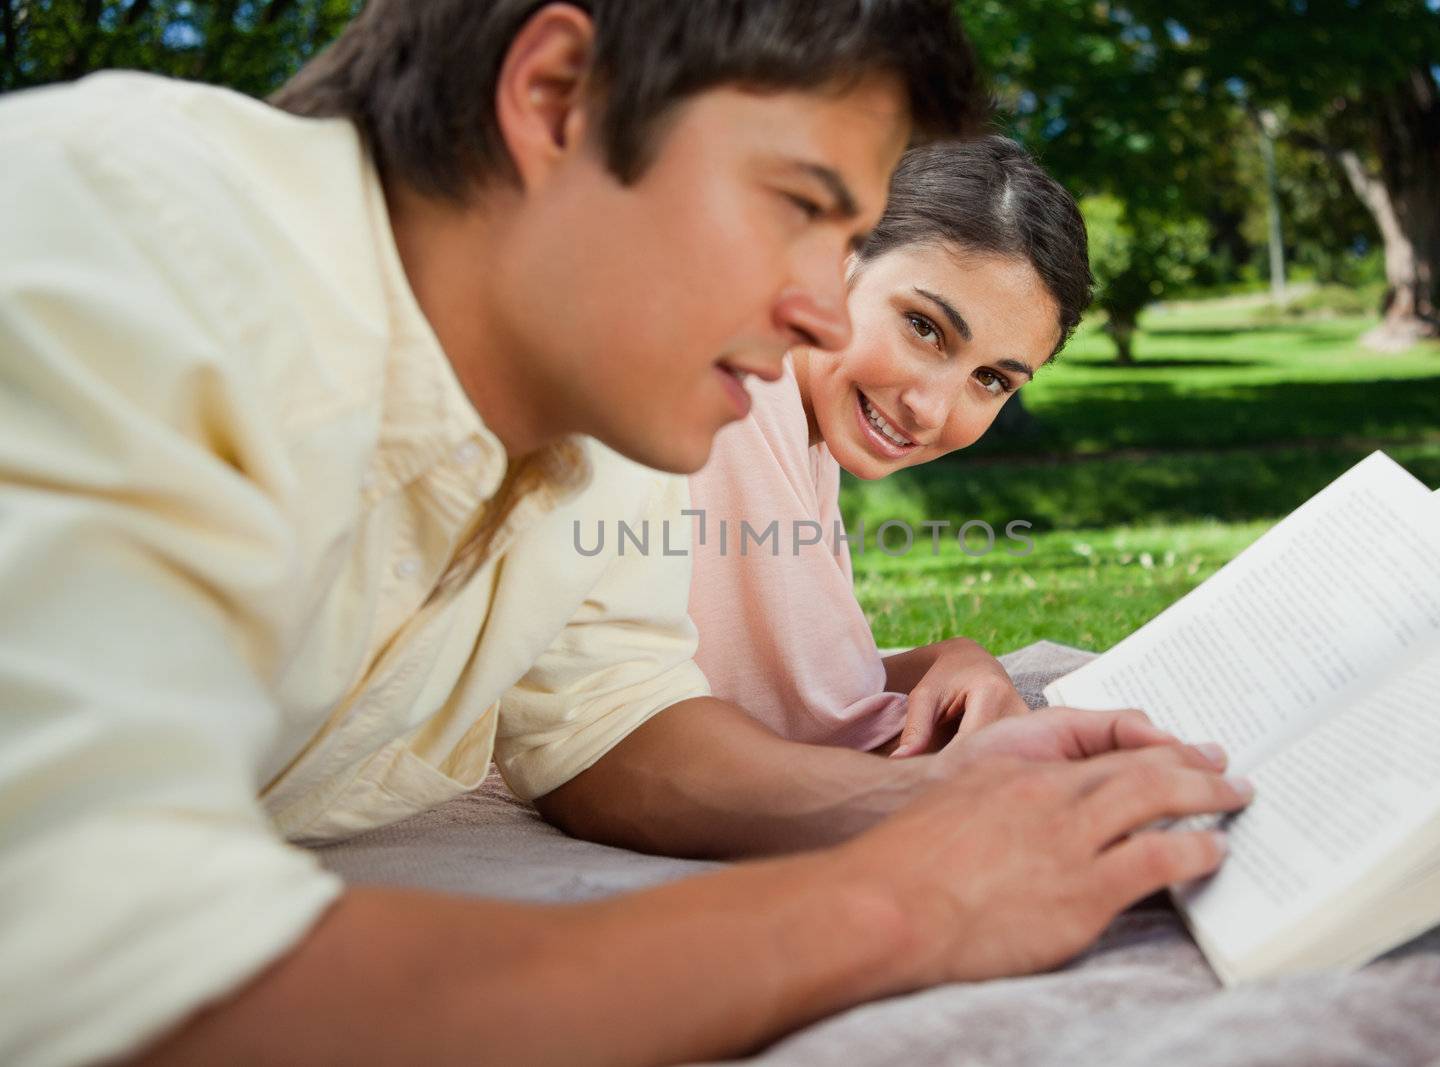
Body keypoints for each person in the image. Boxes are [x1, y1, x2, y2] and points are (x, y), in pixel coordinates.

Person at [0, 2, 1251, 1065]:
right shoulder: (122, 241)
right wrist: (896, 904)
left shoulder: (592, 415)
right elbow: (98, 960)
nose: (820, 308)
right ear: (556, 98)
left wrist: (928, 796)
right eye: (798, 206)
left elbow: (612, 723)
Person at [689, 136, 1090, 756]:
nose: (930, 410)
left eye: (991, 380)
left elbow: (812, 680)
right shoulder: (731, 395)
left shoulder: (803, 419)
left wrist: (954, 658)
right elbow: (781, 712)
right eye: (924, 328)